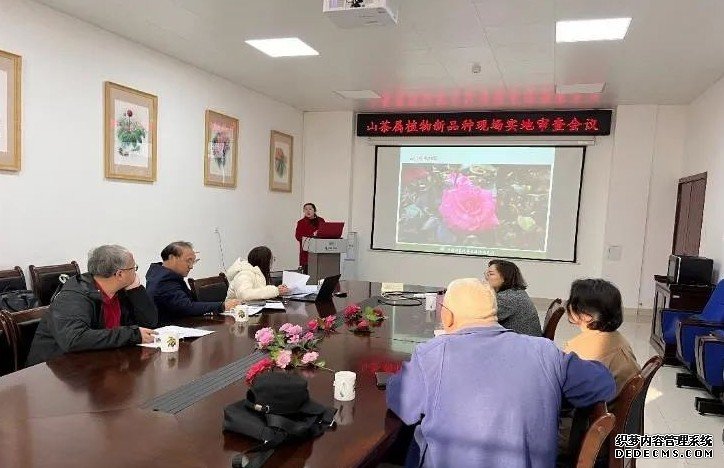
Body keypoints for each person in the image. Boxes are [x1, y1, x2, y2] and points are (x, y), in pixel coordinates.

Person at [386, 277, 616, 468]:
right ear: (494, 313)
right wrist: (550, 390)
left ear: (447, 316)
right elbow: (604, 384)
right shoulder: (544, 351)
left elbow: (401, 405)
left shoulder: (431, 355)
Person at [26, 245, 158, 365]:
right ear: (120, 274)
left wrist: (136, 290)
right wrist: (131, 335)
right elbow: (74, 339)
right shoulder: (73, 297)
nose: (135, 272)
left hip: (99, 362)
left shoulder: (121, 291)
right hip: (54, 370)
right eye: (134, 268)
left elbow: (149, 323)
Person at [145, 241, 239, 324]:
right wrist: (222, 306)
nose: (191, 266)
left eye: (193, 262)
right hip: (170, 331)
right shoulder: (164, 280)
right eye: (188, 261)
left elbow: (190, 302)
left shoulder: (163, 274)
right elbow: (186, 307)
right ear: (172, 258)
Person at [485, 259, 542, 336]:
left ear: (505, 277)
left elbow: (482, 317)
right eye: (486, 274)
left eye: (491, 274)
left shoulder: (507, 298)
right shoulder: (516, 292)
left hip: (523, 341)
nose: (486, 278)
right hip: (527, 338)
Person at [295, 203, 325, 274]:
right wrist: (312, 235)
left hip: (319, 250)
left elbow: (324, 233)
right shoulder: (301, 222)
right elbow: (298, 236)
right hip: (306, 252)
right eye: (305, 209)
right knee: (307, 273)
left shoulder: (321, 220)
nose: (308, 211)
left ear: (314, 210)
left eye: (310, 209)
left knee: (320, 272)